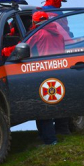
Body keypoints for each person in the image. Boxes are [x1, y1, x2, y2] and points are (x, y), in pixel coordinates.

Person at [28, 11, 69, 145]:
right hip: (58, 72)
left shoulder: (38, 33)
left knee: (42, 106)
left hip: (43, 71)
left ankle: (49, 139)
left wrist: (5, 51)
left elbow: (23, 47)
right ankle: (63, 131)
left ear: (34, 22)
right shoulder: (59, 35)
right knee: (57, 102)